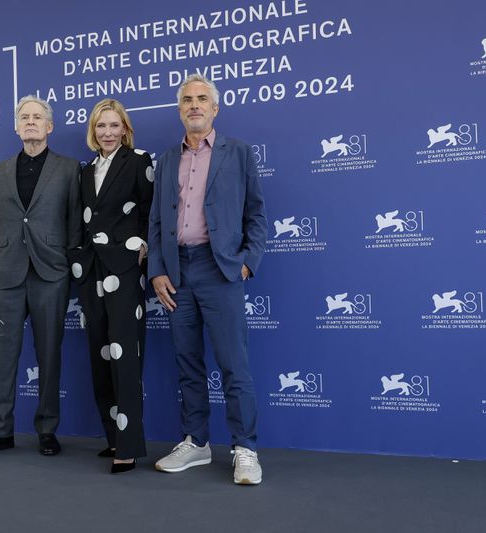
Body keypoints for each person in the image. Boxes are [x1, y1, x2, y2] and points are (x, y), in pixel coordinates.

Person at [147, 74, 267, 484]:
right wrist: (158, 269)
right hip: (178, 271)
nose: (194, 105)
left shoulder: (239, 153)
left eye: (202, 99)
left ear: (215, 108)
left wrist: (247, 262)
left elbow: (256, 214)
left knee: (234, 364)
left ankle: (245, 448)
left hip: (221, 270)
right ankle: (196, 442)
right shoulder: (165, 160)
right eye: (187, 100)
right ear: (179, 109)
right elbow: (157, 221)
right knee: (188, 363)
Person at [0, 95, 82, 458]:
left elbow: (75, 224)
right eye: (24, 117)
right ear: (16, 127)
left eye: (37, 117)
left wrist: (72, 270)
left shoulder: (69, 169)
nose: (30, 122)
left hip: (51, 275)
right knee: (2, 357)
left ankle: (47, 429)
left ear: (50, 126)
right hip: (6, 276)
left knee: (49, 355)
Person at [70, 99, 154, 473]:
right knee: (100, 355)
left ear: (125, 129)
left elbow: (151, 210)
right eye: (101, 126)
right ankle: (113, 436)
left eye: (113, 126)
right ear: (93, 130)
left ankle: (129, 444)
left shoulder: (138, 160)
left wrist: (144, 248)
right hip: (91, 271)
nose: (107, 132)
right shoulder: (85, 171)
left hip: (124, 268)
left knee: (125, 355)